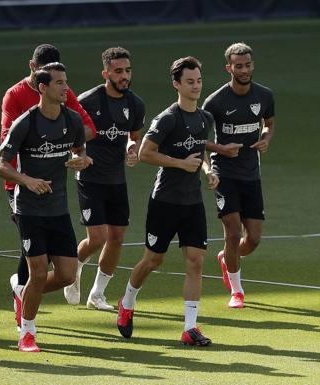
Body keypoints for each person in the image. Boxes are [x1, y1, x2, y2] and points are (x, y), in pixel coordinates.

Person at [115, 56, 219, 346]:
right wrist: (179, 163)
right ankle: (127, 302)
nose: (196, 86)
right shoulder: (168, 118)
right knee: (153, 259)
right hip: (165, 201)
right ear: (176, 84)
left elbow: (200, 152)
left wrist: (209, 171)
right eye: (190, 81)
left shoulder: (204, 118)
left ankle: (190, 328)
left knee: (196, 262)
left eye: (198, 81)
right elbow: (145, 153)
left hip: (193, 202)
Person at [0, 62, 93, 352]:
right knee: (38, 272)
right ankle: (27, 333)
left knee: (67, 275)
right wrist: (26, 180)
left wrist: (82, 160)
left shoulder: (72, 120)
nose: (66, 88)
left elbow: (80, 150)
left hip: (58, 208)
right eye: (60, 83)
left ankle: (24, 293)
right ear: (43, 88)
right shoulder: (26, 122)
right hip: (29, 210)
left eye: (66, 82)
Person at [63, 47, 145, 310]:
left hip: (116, 179)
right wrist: (78, 155)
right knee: (97, 238)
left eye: (127, 71)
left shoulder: (135, 104)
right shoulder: (88, 101)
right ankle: (74, 267)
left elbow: (134, 136)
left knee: (117, 236)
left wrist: (132, 149)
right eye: (118, 71)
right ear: (106, 73)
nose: (124, 76)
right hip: (90, 176)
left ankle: (97, 294)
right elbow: (70, 135)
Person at [202, 42, 275, 309]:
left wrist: (266, 139)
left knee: (253, 239)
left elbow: (269, 124)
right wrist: (219, 150)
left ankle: (227, 257)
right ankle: (237, 291)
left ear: (252, 65)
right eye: (238, 66)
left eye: (247, 65)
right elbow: (199, 138)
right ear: (229, 67)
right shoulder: (216, 101)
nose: (244, 70)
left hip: (251, 174)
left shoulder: (264, 96)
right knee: (232, 233)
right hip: (225, 174)